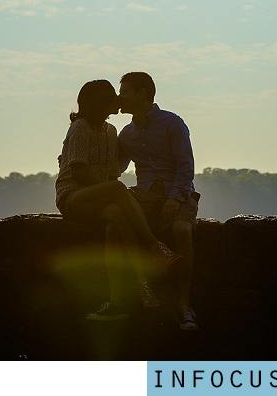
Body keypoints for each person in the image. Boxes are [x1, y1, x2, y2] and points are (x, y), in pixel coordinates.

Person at [55, 78, 182, 321]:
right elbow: (78, 172)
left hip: (99, 198)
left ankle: (130, 292)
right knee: (117, 190)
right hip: (72, 197)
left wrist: (116, 189)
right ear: (100, 102)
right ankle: (156, 246)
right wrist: (112, 188)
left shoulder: (111, 131)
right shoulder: (81, 127)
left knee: (118, 220)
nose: (118, 99)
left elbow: (114, 172)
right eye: (114, 95)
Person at [116, 71, 199, 331]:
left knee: (182, 230)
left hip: (179, 192)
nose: (120, 97)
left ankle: (184, 305)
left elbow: (186, 167)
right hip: (146, 196)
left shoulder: (172, 123)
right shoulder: (125, 134)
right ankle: (142, 289)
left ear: (142, 94)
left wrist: (175, 199)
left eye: (125, 91)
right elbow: (115, 168)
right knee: (116, 226)